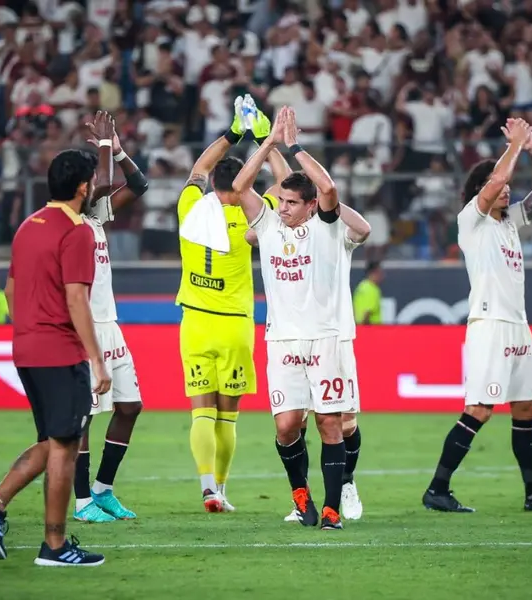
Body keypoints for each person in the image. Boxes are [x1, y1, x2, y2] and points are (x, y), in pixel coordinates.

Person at [0, 142, 111, 567]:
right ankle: (51, 543)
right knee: (67, 446)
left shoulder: (29, 225)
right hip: (60, 352)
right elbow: (76, 300)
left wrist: (31, 328)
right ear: (83, 187)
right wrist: (97, 360)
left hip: (27, 349)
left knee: (55, 440)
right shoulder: (77, 231)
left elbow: (12, 290)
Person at [421, 117, 532, 514]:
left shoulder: (510, 223)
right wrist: (515, 146)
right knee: (480, 409)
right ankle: (437, 488)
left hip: (517, 325)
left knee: (524, 408)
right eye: (500, 185)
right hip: (489, 326)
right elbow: (491, 186)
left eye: (507, 186)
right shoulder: (472, 219)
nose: (507, 190)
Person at [235, 106, 372, 530]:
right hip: (283, 341)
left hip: (327, 338)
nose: (283, 209)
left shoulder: (329, 228)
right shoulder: (270, 228)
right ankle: (303, 499)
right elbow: (241, 186)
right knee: (287, 425)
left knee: (334, 423)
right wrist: (268, 143)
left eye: (292, 202)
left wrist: (292, 145)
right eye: (280, 201)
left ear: (311, 206)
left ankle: (332, 507)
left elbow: (328, 187)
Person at [177, 97, 288, 512]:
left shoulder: (189, 209)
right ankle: (222, 490)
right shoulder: (251, 218)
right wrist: (266, 140)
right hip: (236, 324)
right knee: (228, 417)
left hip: (196, 322)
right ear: (242, 184)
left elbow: (198, 169)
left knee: (201, 412)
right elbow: (288, 185)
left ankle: (207, 486)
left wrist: (233, 132)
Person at [71, 112, 151, 524]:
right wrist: (102, 144)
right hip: (83, 328)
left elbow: (138, 185)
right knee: (84, 417)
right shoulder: (67, 223)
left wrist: (117, 149)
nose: (93, 186)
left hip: (111, 325)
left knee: (130, 406)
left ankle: (103, 490)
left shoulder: (96, 216)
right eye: (86, 183)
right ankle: (83, 502)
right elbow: (102, 184)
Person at [353, 261, 383, 325]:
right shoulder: (372, 289)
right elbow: (367, 313)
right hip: (371, 329)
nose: (382, 276)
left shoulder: (361, 286)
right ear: (374, 273)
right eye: (380, 273)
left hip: (357, 327)